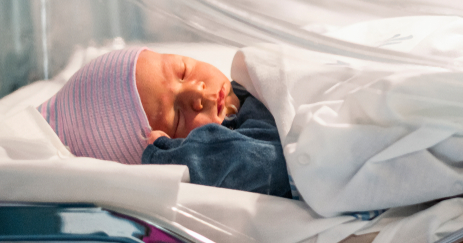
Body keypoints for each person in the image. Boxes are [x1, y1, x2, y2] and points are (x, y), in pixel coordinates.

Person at [37, 47, 292, 198]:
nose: (197, 93)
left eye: (183, 71)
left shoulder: (252, 85)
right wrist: (178, 159)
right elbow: (274, 164)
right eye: (178, 117)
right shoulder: (240, 141)